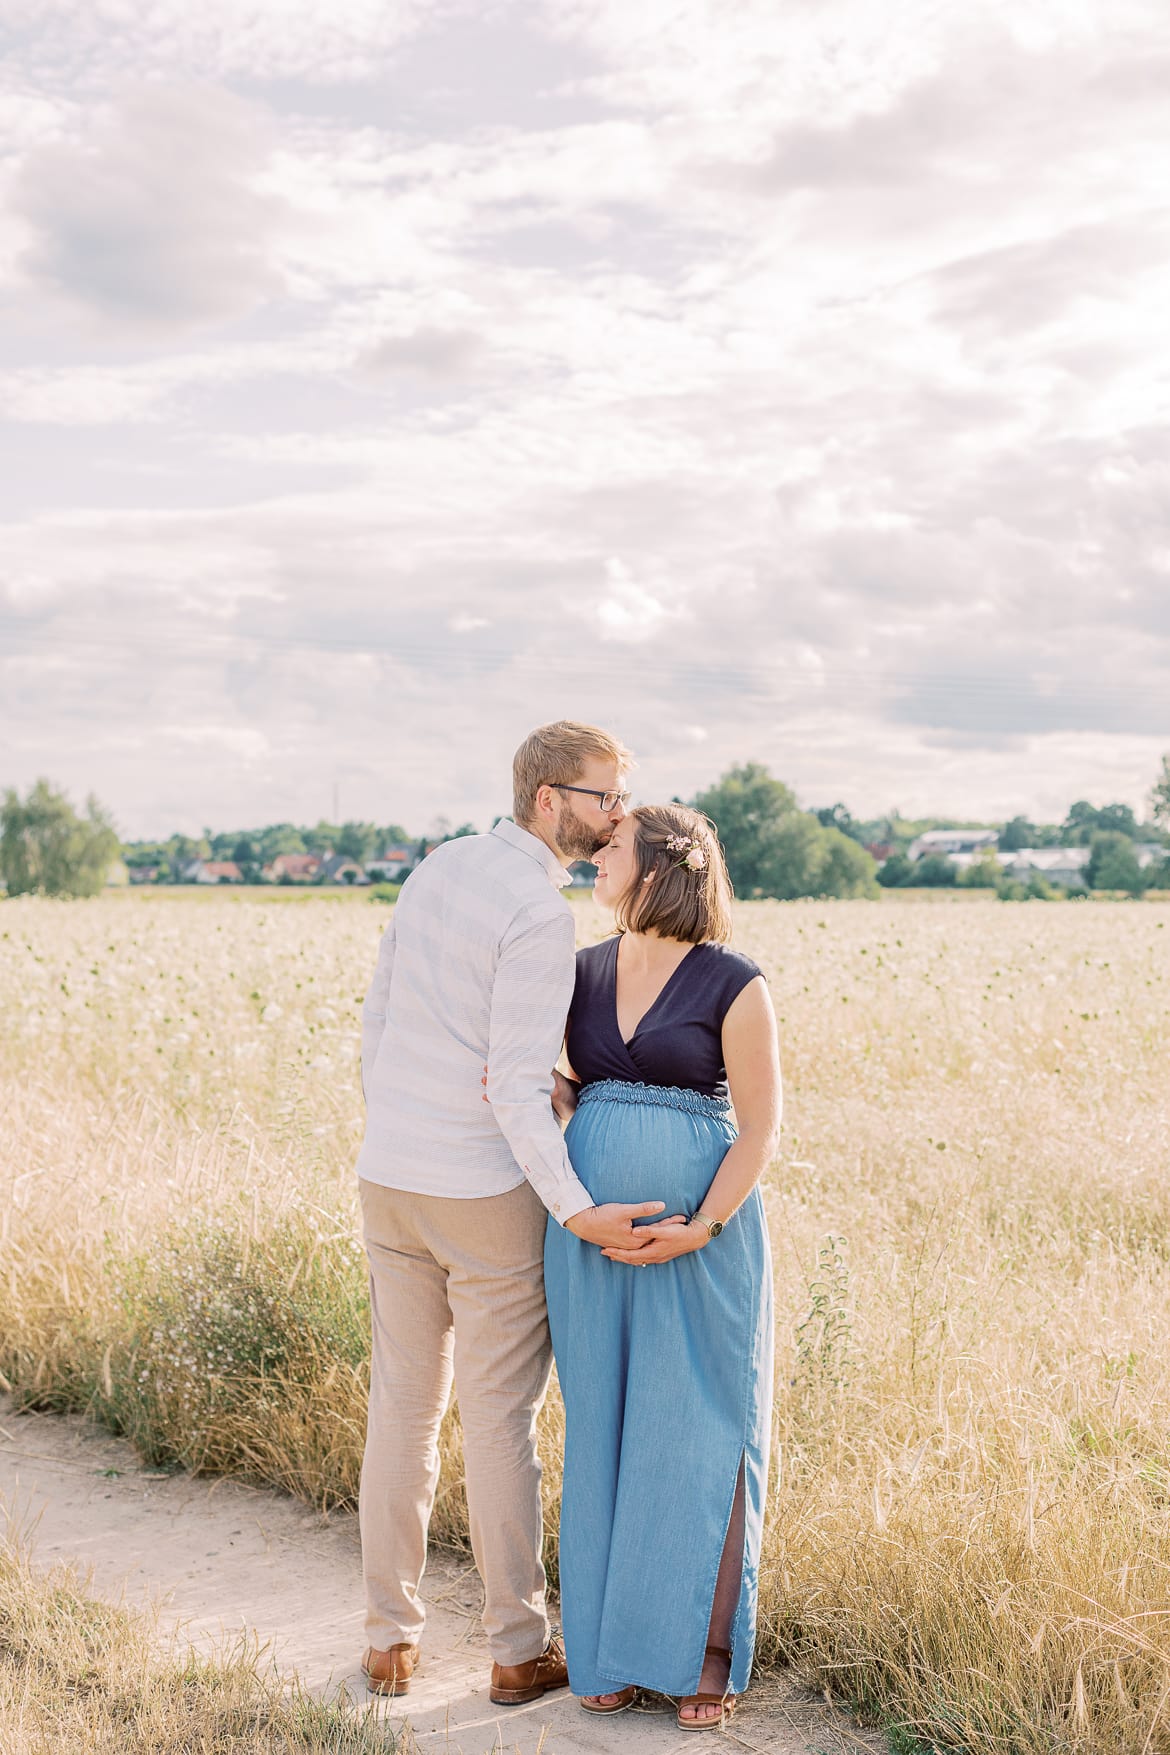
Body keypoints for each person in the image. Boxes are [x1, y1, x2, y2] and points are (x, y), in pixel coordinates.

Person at [354, 721, 670, 1706]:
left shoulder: (437, 869)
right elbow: (509, 1089)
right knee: (499, 1422)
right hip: (482, 1192)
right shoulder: (539, 914)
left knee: (401, 1414)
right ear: (551, 799)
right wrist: (577, 1212)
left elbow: (380, 1019)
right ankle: (516, 1650)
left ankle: (388, 1641)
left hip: (391, 1176)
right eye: (606, 797)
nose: (620, 814)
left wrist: (403, 1121)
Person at [542, 803, 782, 1732]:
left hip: (702, 1245)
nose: (593, 856)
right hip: (589, 1243)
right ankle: (606, 1649)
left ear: (662, 865)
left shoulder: (735, 981)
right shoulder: (578, 971)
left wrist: (703, 1225)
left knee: (696, 1433)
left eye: (609, 845)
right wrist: (550, 1090)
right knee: (601, 1426)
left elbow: (759, 1126)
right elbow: (564, 1085)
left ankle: (701, 1654)